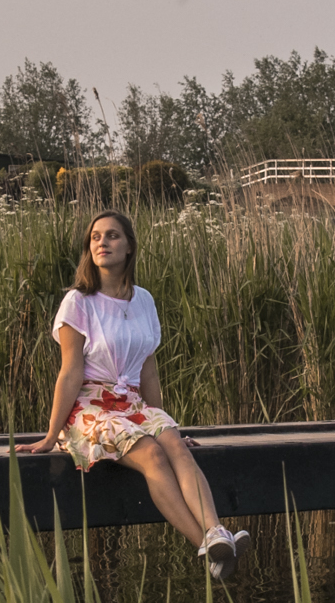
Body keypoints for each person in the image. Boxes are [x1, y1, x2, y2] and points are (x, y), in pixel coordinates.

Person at [18, 209, 250, 578]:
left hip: (134, 405)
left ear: (128, 247)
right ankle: (210, 548)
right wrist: (51, 435)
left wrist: (165, 423)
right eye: (95, 237)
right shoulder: (78, 302)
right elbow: (70, 371)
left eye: (111, 236)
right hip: (91, 408)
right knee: (152, 457)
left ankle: (217, 533)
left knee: (172, 445)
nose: (102, 243)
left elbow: (148, 369)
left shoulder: (144, 300)